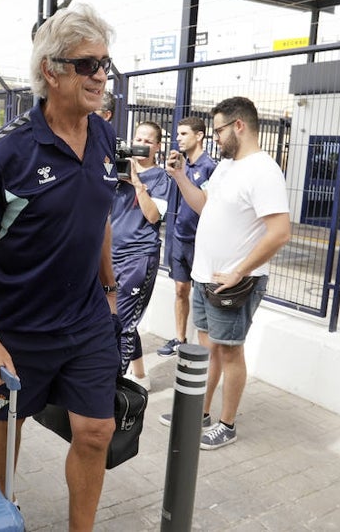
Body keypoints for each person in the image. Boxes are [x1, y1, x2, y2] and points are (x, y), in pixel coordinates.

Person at [0, 4, 120, 531]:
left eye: (105, 64)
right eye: (88, 65)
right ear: (52, 70)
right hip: (19, 328)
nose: (101, 76)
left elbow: (99, 218)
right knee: (8, 430)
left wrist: (111, 287)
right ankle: (1, 515)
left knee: (96, 432)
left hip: (87, 321)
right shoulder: (7, 152)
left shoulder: (105, 138)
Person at [162, 96, 291, 450]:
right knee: (208, 350)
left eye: (218, 130)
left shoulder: (264, 171)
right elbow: (204, 205)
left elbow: (280, 232)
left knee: (230, 352)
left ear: (239, 125)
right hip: (206, 276)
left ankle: (227, 423)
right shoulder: (227, 167)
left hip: (233, 283)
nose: (214, 137)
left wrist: (239, 271)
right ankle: (199, 412)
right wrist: (178, 176)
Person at [112, 121, 172, 389]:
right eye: (137, 138)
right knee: (118, 318)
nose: (140, 145)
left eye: (148, 141)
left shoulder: (161, 178)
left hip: (138, 257)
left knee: (123, 322)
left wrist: (137, 183)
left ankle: (114, 386)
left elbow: (153, 216)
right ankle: (140, 375)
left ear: (158, 146)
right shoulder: (117, 168)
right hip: (109, 254)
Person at [156, 116, 216, 358]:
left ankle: (206, 348)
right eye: (177, 134)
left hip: (201, 242)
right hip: (179, 238)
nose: (177, 138)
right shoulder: (182, 165)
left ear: (199, 135)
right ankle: (180, 339)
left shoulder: (209, 167)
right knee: (181, 290)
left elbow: (209, 207)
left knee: (205, 296)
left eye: (183, 134)